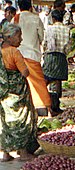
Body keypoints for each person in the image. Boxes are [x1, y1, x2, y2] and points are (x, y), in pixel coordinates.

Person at [0, 22, 37, 162]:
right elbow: (25, 72)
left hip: (3, 93)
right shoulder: (14, 52)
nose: (21, 39)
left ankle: (5, 153)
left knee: (5, 121)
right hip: (16, 93)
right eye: (19, 36)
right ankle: (23, 152)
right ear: (10, 37)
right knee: (21, 120)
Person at [15, 0, 51, 116]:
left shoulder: (15, 19)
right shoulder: (36, 18)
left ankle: (26, 108)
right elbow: (41, 37)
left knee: (23, 83)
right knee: (38, 82)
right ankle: (42, 106)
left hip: (19, 55)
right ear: (31, 7)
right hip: (32, 54)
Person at [42, 9, 69, 116]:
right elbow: (68, 46)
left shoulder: (49, 28)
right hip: (62, 57)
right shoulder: (66, 29)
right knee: (58, 81)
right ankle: (56, 105)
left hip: (51, 56)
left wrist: (44, 53)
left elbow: (46, 43)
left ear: (53, 18)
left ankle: (46, 104)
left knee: (45, 80)